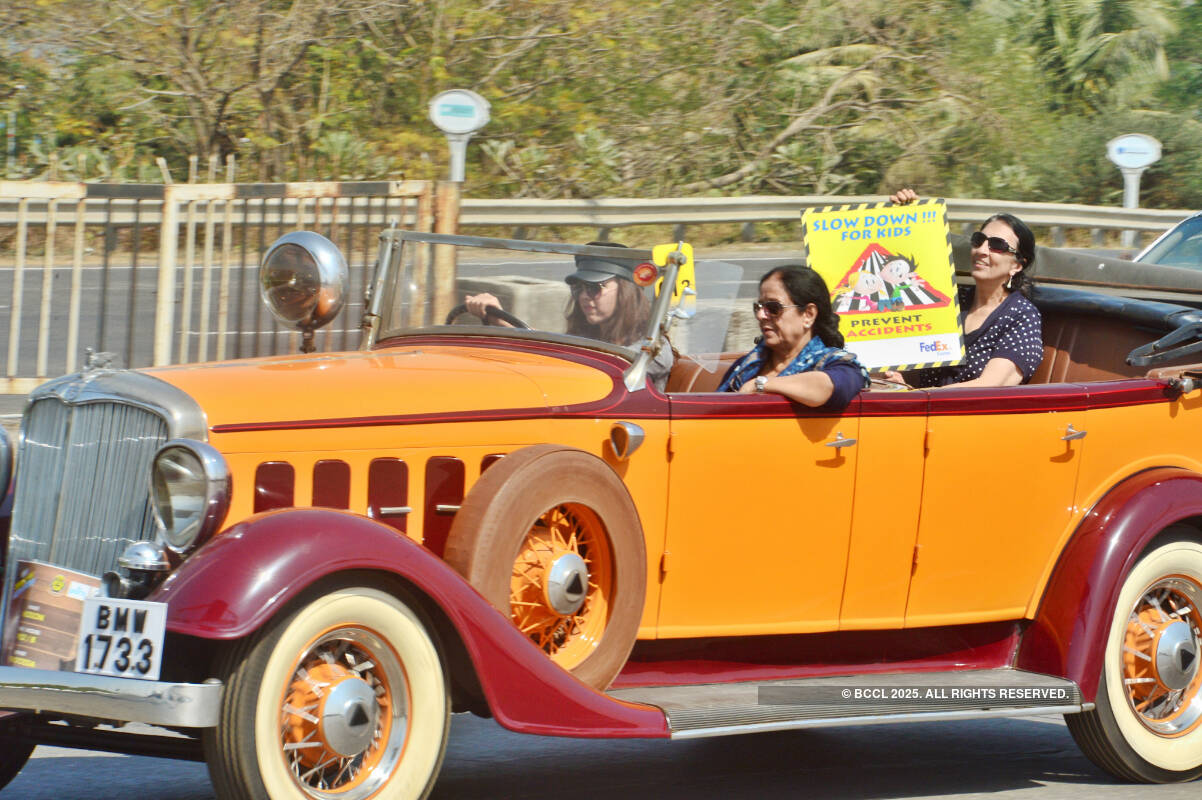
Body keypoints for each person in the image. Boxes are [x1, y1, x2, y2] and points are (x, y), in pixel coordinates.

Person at [885, 188, 1043, 388]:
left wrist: (918, 395)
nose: (982, 251)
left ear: (1017, 265)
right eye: (979, 241)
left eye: (997, 245)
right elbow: (900, 276)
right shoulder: (950, 301)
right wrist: (905, 217)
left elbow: (992, 384)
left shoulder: (1022, 316)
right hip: (921, 409)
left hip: (973, 416)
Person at [463, 242, 674, 390]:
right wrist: (500, 321)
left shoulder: (653, 349)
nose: (584, 296)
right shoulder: (590, 338)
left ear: (625, 292)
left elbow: (598, 370)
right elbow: (559, 353)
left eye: (594, 288)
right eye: (579, 288)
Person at [718, 265, 869, 411]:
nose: (760, 316)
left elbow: (828, 386)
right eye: (758, 308)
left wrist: (761, 384)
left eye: (773, 308)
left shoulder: (841, 366)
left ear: (808, 314)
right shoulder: (746, 365)